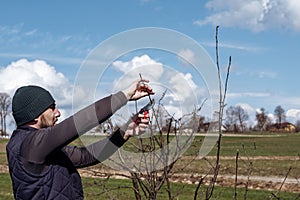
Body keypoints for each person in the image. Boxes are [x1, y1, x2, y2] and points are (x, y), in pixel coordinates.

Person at [6, 79, 154, 200]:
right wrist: (125, 95)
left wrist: (124, 133)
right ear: (35, 114)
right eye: (51, 108)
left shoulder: (37, 146)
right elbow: (84, 120)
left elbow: (86, 156)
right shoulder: (31, 147)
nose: (58, 112)